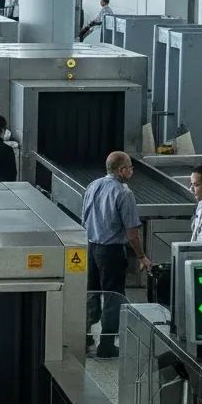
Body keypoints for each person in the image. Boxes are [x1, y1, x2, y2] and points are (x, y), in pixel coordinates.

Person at [81, 153, 153, 358]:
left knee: (91, 294)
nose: (132, 171)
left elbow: (83, 218)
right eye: (130, 167)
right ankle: (106, 345)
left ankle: (84, 339)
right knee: (113, 297)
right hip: (111, 251)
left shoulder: (92, 185)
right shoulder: (124, 193)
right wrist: (141, 256)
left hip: (91, 247)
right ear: (121, 170)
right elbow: (132, 232)